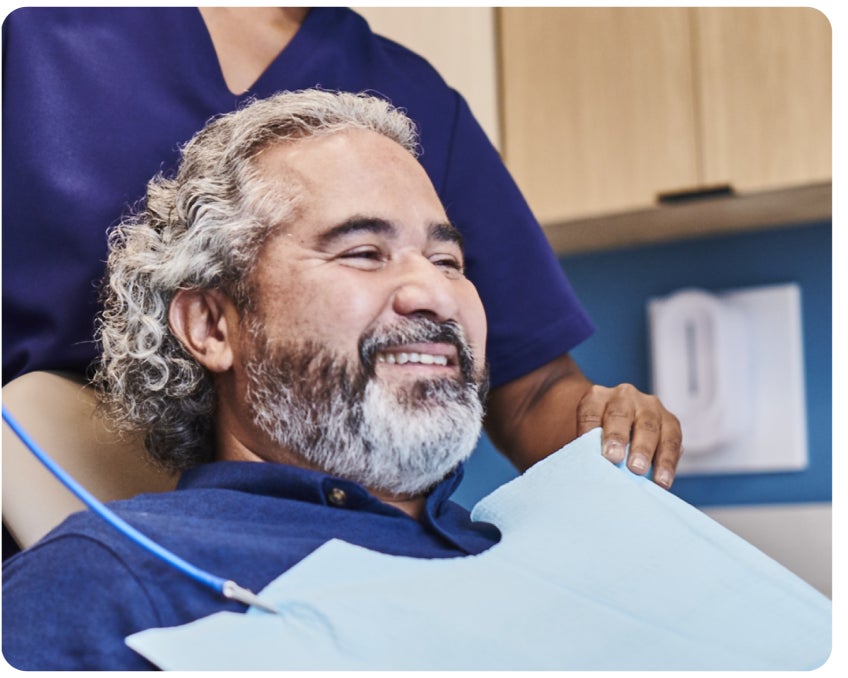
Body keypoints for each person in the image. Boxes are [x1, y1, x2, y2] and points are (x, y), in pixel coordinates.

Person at [1, 87, 519, 670]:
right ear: (212, 326)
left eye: (447, 262)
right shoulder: (105, 582)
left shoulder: (531, 547)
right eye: (364, 253)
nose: (435, 294)